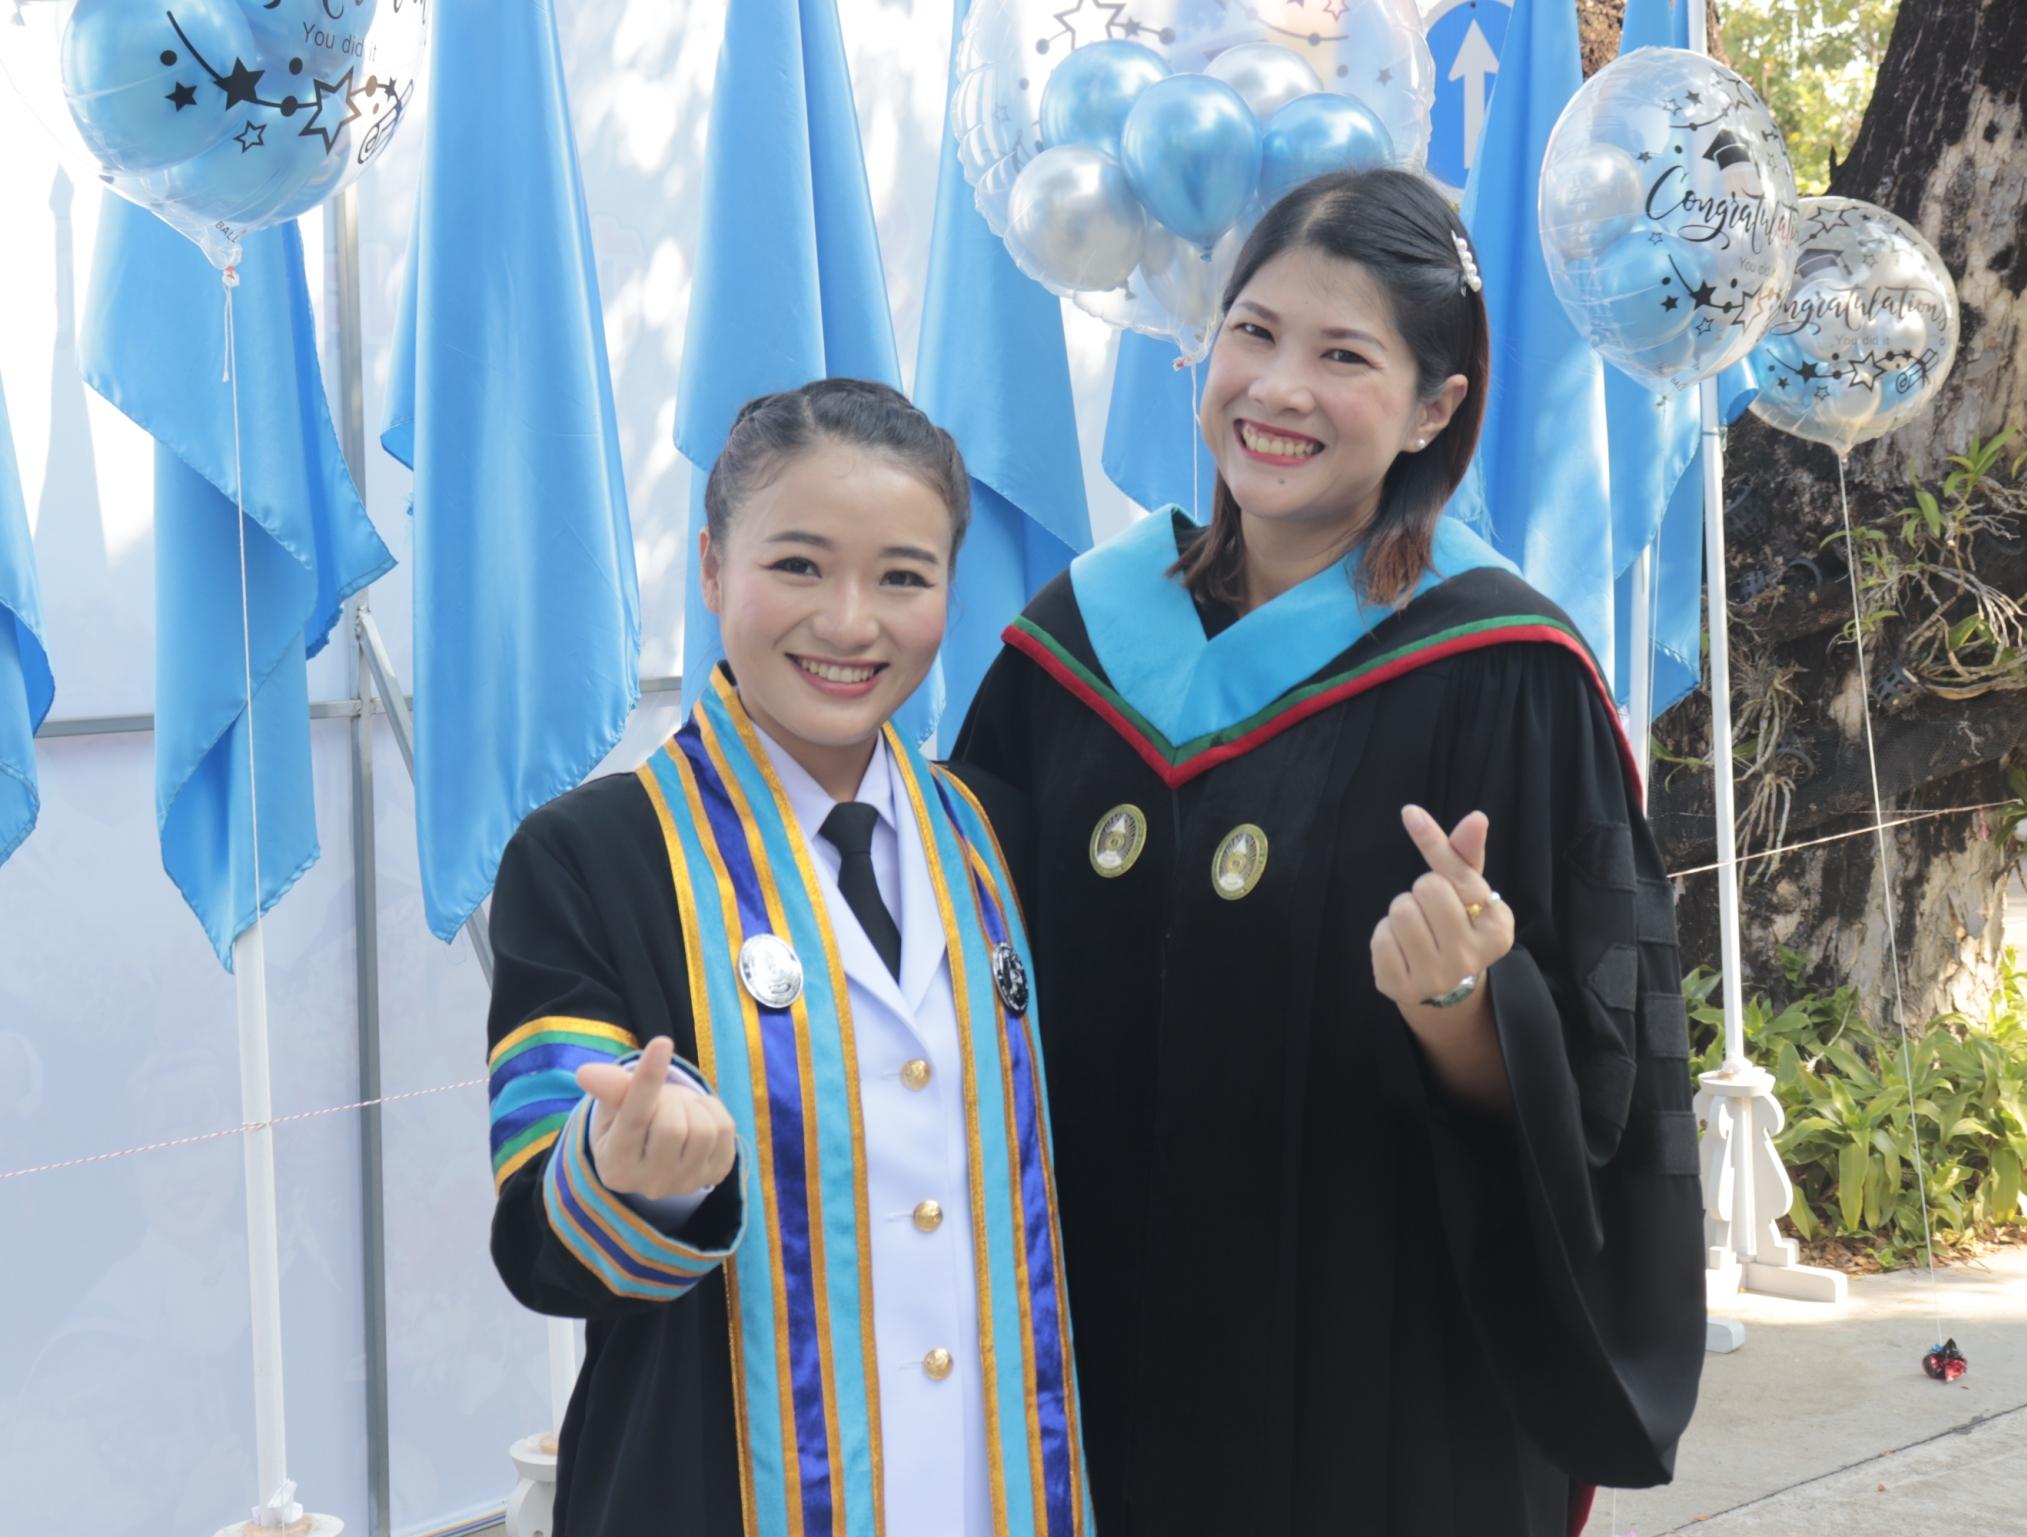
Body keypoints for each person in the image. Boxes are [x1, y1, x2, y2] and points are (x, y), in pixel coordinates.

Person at [954, 169, 1705, 1536]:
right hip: (1083, 1361)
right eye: (1254, 331)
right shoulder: (1071, 646)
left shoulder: (1505, 675)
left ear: (1436, 406)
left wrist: (1467, 1004)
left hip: (1376, 1388)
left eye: (1343, 354)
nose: (1278, 388)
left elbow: (1603, 1096)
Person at [484, 379, 1090, 1536]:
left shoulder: (999, 837)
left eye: (902, 576)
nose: (850, 622)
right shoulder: (591, 858)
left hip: (993, 1486)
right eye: (798, 566)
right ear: (711, 567)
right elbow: (539, 1245)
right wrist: (622, 1170)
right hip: (713, 1491)